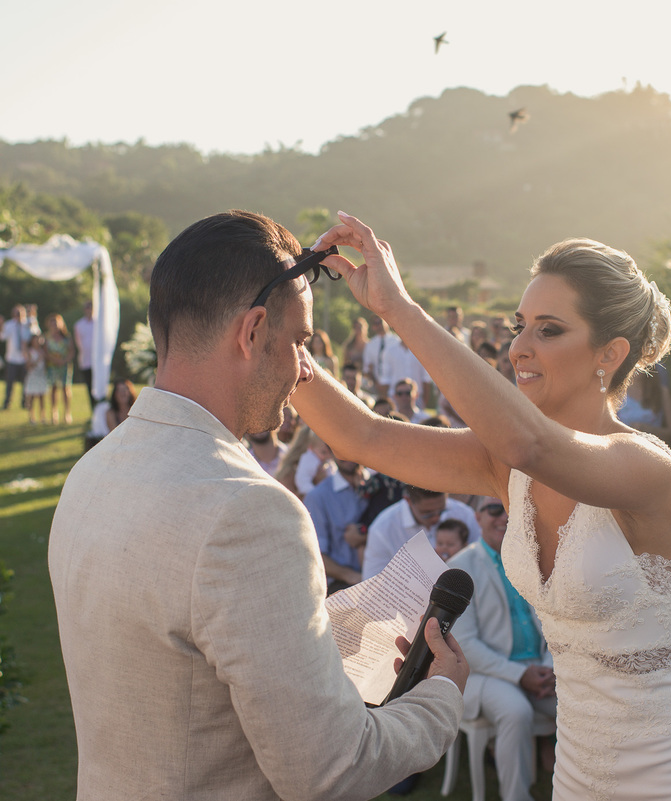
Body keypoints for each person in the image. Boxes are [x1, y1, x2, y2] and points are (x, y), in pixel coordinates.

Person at [292, 215, 671, 800]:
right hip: (579, 767)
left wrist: (398, 308)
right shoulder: (505, 464)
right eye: (519, 326)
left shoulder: (645, 467)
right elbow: (362, 437)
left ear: (609, 353)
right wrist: (278, 332)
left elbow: (530, 443)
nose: (518, 348)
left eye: (548, 330)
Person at [47, 210, 466, 800]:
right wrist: (440, 695)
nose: (304, 372)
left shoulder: (92, 471)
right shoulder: (249, 513)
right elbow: (331, 770)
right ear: (252, 331)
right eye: (300, 342)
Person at [447, 496, 556, 801]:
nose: (504, 516)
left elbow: (555, 622)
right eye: (494, 508)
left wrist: (549, 666)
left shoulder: (534, 558)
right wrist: (519, 675)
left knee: (579, 705)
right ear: (477, 517)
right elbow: (466, 645)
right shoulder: (460, 566)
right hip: (485, 674)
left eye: (511, 508)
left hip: (539, 666)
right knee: (515, 710)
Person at [363, 484, 481, 579]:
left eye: (442, 510)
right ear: (408, 500)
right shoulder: (383, 528)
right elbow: (373, 582)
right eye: (427, 513)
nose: (436, 518)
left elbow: (480, 562)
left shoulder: (465, 515)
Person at [304, 457, 369, 592]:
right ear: (331, 451)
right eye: (342, 449)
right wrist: (351, 576)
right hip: (343, 585)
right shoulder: (317, 497)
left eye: (354, 448)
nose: (347, 455)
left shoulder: (385, 485)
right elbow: (315, 555)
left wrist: (364, 535)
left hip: (383, 578)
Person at [616, 363, 671, 444]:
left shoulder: (661, 392)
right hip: (620, 445)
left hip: (649, 446)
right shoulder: (616, 391)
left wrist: (647, 430)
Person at [44, 312, 75, 424]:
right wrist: (54, 360)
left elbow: (71, 351)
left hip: (64, 366)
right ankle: (54, 413)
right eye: (52, 323)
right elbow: (46, 352)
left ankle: (67, 412)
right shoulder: (47, 338)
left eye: (56, 323)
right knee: (53, 389)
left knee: (65, 388)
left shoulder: (67, 337)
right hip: (52, 366)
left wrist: (64, 360)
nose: (54, 325)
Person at [2, 304, 28, 410]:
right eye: (16, 313)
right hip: (12, 358)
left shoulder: (27, 324)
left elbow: (35, 335)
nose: (18, 315)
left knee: (25, 382)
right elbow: (2, 337)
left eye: (20, 313)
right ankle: (7, 402)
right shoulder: (9, 325)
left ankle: (25, 402)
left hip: (24, 358)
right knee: (10, 382)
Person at [24, 332, 49, 424]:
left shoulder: (43, 351)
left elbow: (46, 364)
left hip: (41, 376)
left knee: (42, 397)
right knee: (32, 397)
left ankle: (43, 417)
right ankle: (32, 417)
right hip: (33, 376)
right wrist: (38, 359)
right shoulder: (30, 352)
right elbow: (28, 366)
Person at [74, 301, 96, 408]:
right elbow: (78, 342)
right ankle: (93, 408)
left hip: (98, 361)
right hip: (86, 360)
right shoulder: (79, 325)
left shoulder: (99, 323)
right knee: (89, 385)